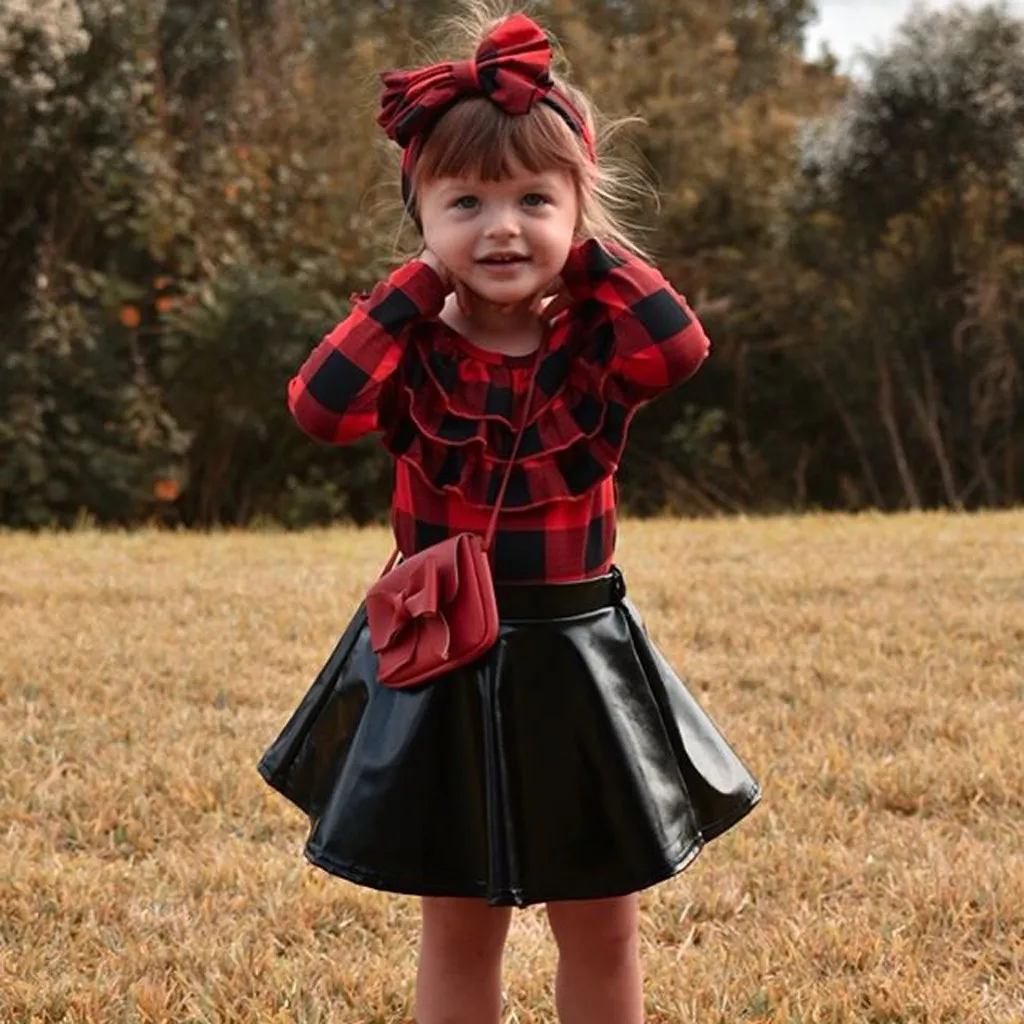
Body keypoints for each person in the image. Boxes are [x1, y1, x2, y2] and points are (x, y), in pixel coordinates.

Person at [258, 8, 761, 1024]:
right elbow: (319, 408)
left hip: (578, 655)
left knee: (601, 921)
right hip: (445, 658)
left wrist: (592, 259)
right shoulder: (411, 348)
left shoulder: (597, 341)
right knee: (459, 926)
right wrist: (412, 289)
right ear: (422, 216)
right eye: (466, 203)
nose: (501, 227)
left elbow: (681, 349)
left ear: (579, 211)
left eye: (536, 200)